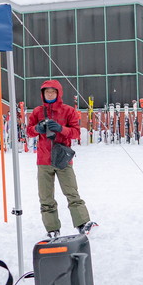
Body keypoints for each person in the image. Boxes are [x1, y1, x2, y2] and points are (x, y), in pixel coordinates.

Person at [26, 79, 93, 238]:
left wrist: (61, 129)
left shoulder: (68, 111)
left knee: (72, 193)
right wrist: (37, 128)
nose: (50, 94)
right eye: (47, 92)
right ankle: (52, 229)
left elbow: (76, 133)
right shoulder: (37, 112)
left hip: (62, 159)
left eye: (53, 92)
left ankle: (82, 223)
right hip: (43, 160)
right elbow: (28, 132)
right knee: (45, 198)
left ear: (58, 93)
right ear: (43, 94)